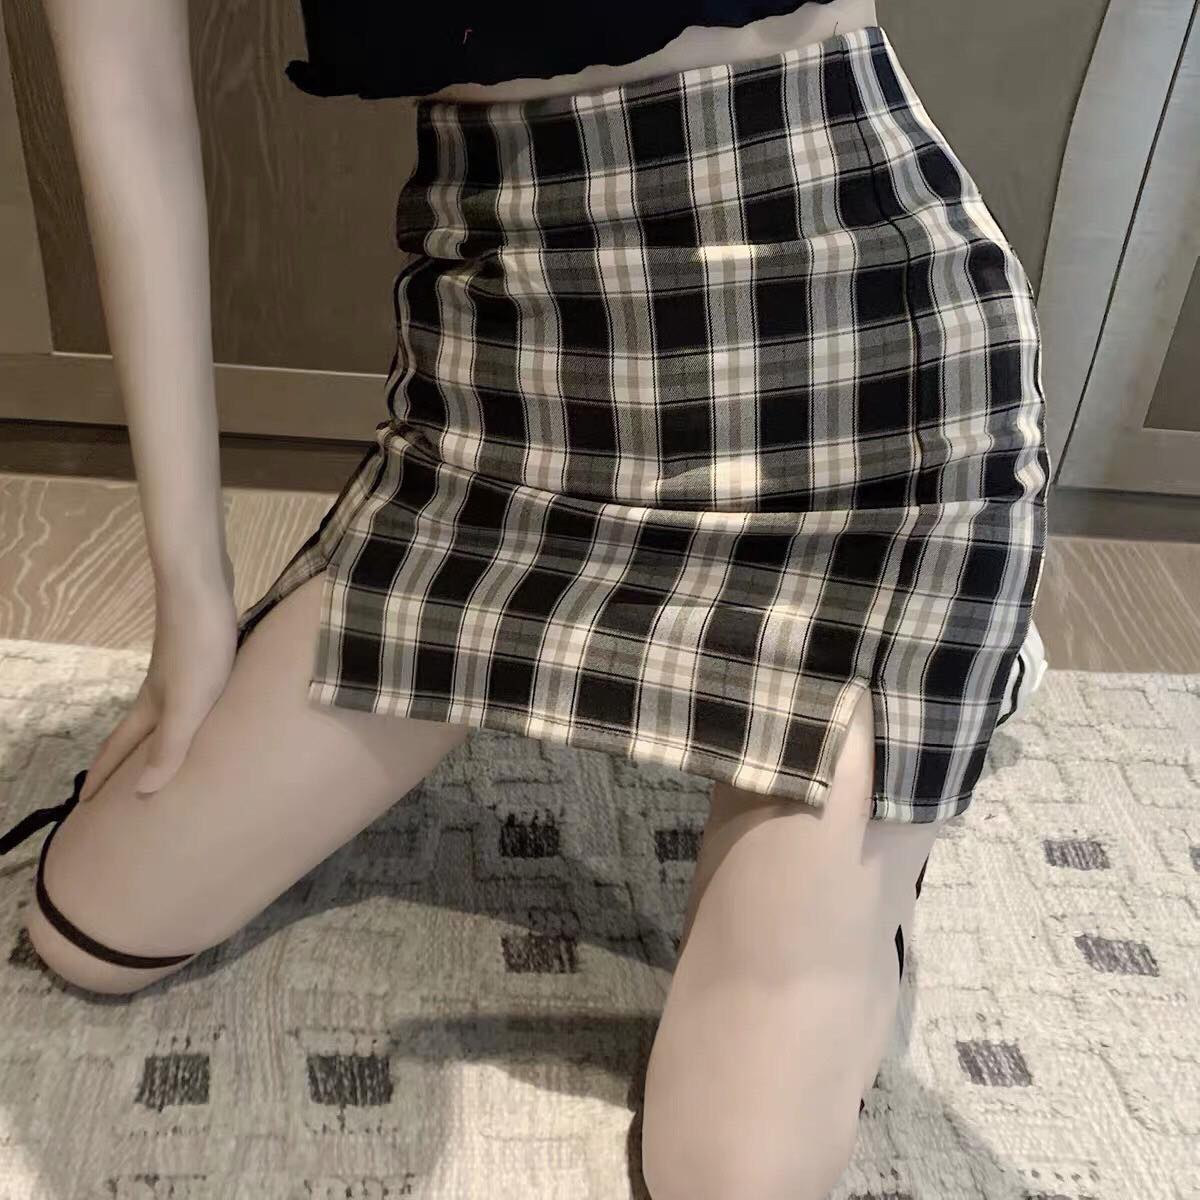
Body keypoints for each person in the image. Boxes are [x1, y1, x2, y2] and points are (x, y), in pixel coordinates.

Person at [1, 2, 1049, 1196]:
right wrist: (190, 611)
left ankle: (908, 766)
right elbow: (130, 104)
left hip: (853, 373)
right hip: (504, 393)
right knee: (91, 928)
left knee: (729, 1174)